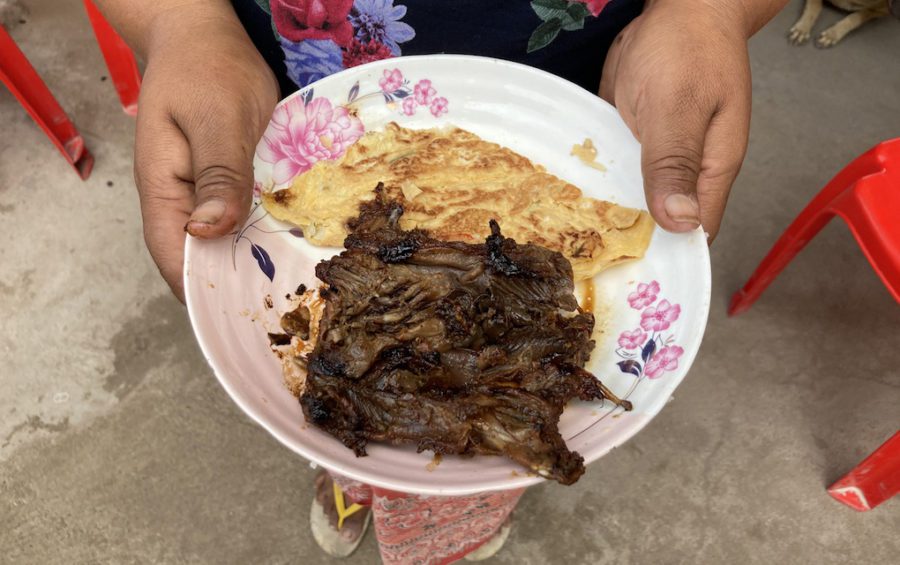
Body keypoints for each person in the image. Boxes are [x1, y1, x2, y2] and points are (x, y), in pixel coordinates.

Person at [95, 0, 787, 562]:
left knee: (491, 446)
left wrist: (708, 14)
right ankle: (358, 480)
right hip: (287, 88)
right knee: (344, 399)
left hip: (591, 94)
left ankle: (454, 519)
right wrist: (181, 24)